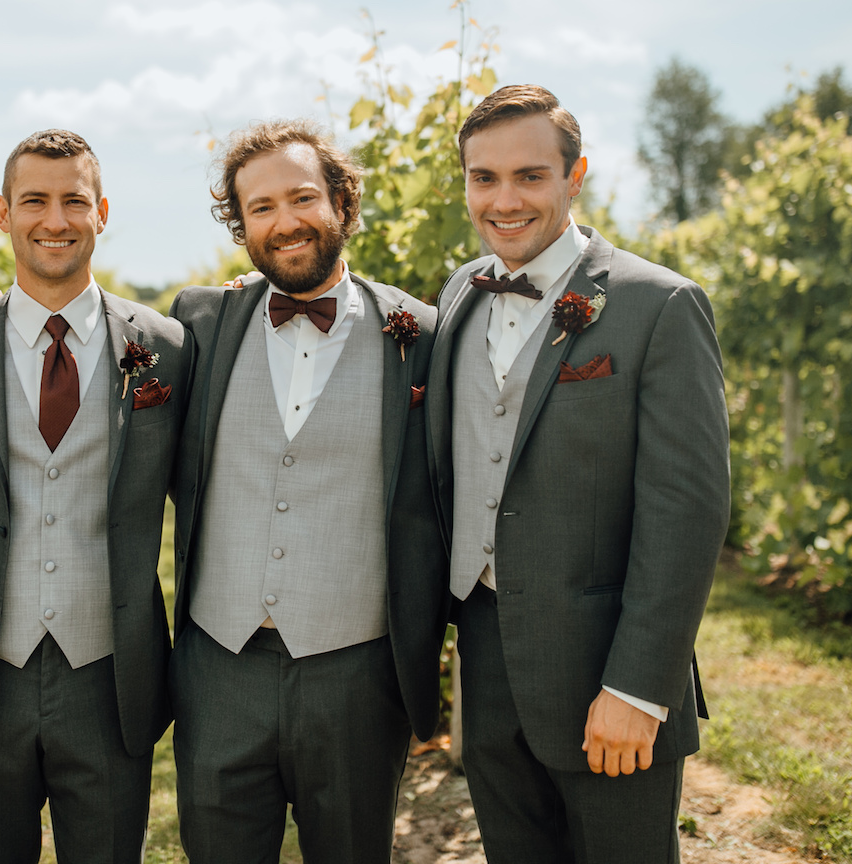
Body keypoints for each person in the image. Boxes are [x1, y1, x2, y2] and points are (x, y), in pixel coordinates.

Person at [429, 84, 730, 861]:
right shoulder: (460, 291)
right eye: (482, 177)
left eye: (530, 176)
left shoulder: (657, 305)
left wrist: (637, 687)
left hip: (607, 670)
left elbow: (687, 510)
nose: (504, 199)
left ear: (575, 176)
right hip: (486, 660)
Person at [167, 120, 448, 863]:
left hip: (356, 671)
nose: (284, 222)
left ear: (342, 202)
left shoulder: (420, 334)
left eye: (301, 198)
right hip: (217, 664)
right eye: (260, 207)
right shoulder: (198, 322)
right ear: (241, 225)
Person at [0, 129, 192, 863]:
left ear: (101, 211)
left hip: (111, 674)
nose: (55, 219)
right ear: (2, 213)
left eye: (74, 200)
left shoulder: (166, 346)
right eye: (34, 200)